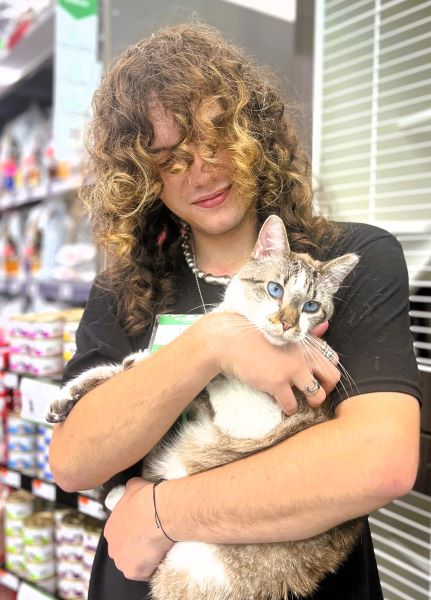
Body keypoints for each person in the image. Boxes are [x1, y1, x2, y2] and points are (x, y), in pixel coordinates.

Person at [49, 22, 421, 600]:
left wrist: (161, 514)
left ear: (254, 132)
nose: (202, 172)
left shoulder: (352, 259)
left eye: (216, 138)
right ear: (141, 177)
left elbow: (379, 461)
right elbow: (74, 462)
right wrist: (213, 344)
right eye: (170, 160)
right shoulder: (124, 287)